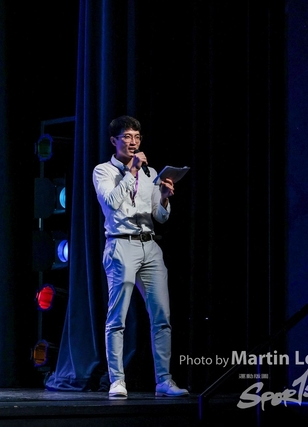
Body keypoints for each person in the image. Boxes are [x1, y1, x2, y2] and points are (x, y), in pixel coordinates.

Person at [92, 115, 188, 399]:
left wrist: (165, 196)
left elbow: (160, 217)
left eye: (136, 137)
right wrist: (131, 173)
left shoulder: (150, 173)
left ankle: (164, 380)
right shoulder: (103, 171)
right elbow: (111, 203)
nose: (133, 142)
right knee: (117, 319)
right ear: (114, 141)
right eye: (126, 137)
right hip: (121, 246)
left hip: (150, 246)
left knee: (162, 317)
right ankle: (117, 380)